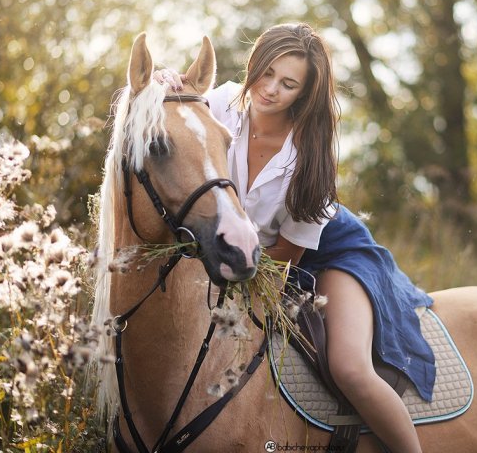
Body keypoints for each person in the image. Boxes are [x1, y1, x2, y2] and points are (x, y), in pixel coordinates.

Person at [155, 23, 433, 453]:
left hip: (321, 254)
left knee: (350, 367)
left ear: (304, 93)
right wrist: (165, 81)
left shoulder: (311, 158)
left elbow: (285, 257)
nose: (270, 90)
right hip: (236, 246)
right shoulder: (220, 104)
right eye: (266, 74)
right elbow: (173, 124)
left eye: (288, 84)